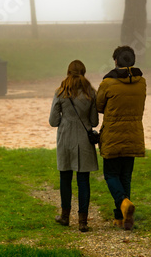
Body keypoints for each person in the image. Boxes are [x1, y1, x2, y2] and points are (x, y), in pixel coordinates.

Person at [96, 46, 146, 230]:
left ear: (116, 61)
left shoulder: (107, 83)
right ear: (132, 61)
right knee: (126, 176)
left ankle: (123, 204)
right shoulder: (142, 83)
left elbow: (99, 106)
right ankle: (122, 218)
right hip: (133, 134)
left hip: (113, 135)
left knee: (110, 174)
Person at [49, 60, 99, 232]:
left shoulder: (61, 92)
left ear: (68, 72)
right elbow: (94, 121)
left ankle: (64, 216)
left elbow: (53, 121)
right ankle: (83, 221)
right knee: (83, 180)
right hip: (84, 139)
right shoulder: (91, 92)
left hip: (65, 139)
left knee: (65, 178)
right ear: (84, 72)